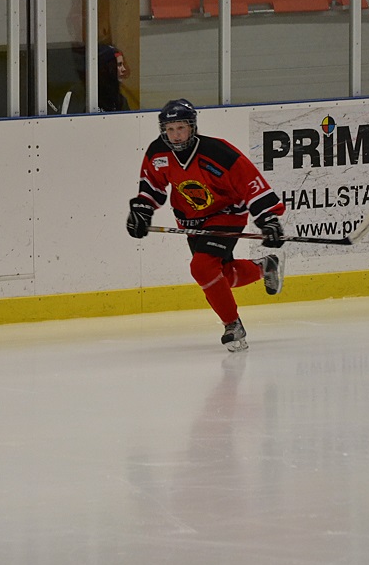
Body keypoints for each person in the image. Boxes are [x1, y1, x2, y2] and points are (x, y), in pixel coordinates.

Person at [126, 98, 286, 352]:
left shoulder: (218, 152)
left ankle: (233, 325)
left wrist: (268, 218)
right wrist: (142, 210)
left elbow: (250, 183)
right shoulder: (158, 153)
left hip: (226, 214)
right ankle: (265, 267)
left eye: (181, 128)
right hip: (190, 220)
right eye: (170, 129)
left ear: (192, 127)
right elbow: (152, 185)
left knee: (201, 268)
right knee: (221, 275)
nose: (176, 135)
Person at [97, 44, 129, 112]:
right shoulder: (89, 98)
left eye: (123, 64)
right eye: (119, 65)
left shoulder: (120, 100)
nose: (123, 69)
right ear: (107, 68)